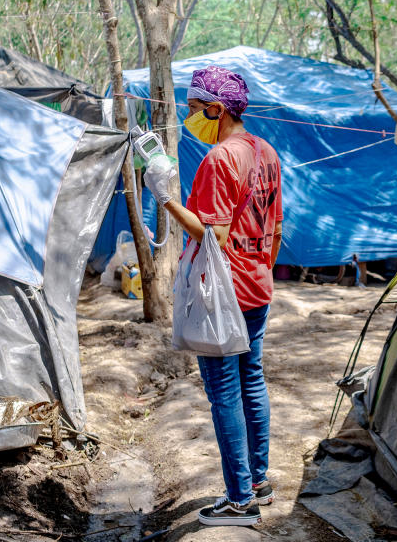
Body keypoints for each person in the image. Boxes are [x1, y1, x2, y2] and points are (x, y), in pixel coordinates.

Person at [144, 66, 283, 527]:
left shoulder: (221, 159)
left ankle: (241, 500)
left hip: (225, 294)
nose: (190, 117)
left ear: (216, 108)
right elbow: (277, 228)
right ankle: (259, 479)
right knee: (252, 381)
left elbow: (213, 236)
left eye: (193, 108)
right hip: (257, 285)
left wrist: (164, 198)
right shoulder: (266, 152)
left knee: (224, 390)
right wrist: (260, 271)